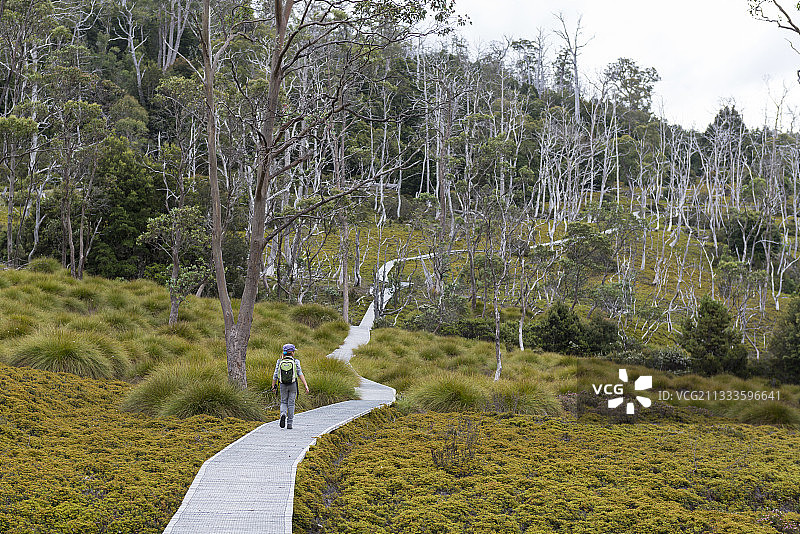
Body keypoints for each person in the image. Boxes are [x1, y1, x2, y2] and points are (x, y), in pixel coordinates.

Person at [271, 343, 309, 430]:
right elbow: (300, 374)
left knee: (283, 402)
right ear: (292, 352)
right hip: (293, 385)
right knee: (291, 404)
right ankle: (289, 424)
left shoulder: (279, 361)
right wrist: (305, 385)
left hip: (283, 384)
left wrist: (273, 385)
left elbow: (275, 374)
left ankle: (283, 414)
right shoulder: (296, 362)